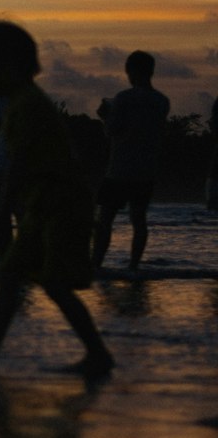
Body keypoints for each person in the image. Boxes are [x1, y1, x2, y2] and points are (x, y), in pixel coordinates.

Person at [0, 22, 113, 379]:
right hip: (44, 205)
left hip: (62, 207)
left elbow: (19, 165)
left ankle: (96, 354)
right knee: (12, 275)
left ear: (10, 66)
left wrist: (2, 215)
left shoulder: (27, 107)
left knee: (51, 283)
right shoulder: (24, 102)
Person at [93, 51, 169, 273]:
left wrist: (104, 116)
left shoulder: (124, 98)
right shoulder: (162, 101)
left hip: (119, 168)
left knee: (105, 219)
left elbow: (112, 131)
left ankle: (96, 264)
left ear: (131, 71)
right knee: (139, 220)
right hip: (146, 169)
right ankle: (133, 266)